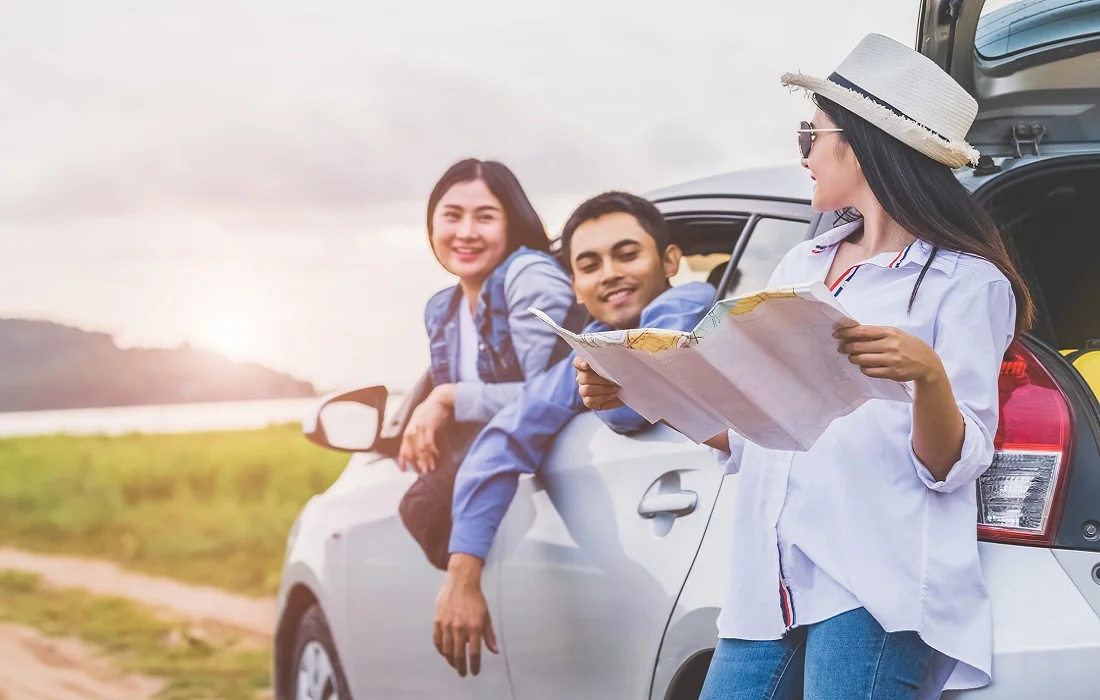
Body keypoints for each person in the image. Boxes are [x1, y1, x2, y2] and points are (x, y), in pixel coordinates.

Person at [577, 34, 1034, 700]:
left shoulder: (966, 283)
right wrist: (643, 387)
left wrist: (928, 376)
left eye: (811, 134)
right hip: (769, 583)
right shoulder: (801, 268)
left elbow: (953, 464)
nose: (804, 154)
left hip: (875, 585)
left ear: (860, 142)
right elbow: (758, 431)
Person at [432, 191, 716, 677]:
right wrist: (463, 571)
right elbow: (502, 440)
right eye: (590, 264)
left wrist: (606, 388)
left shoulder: (690, 302)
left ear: (670, 261)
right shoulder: (581, 359)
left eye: (626, 254)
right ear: (575, 286)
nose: (609, 273)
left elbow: (641, 390)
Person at [397, 159, 576, 570]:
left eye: (485, 217)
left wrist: (446, 398)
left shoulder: (529, 277)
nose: (466, 232)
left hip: (547, 481)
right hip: (504, 490)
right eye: (452, 216)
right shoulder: (442, 308)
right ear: (431, 227)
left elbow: (546, 393)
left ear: (511, 223)